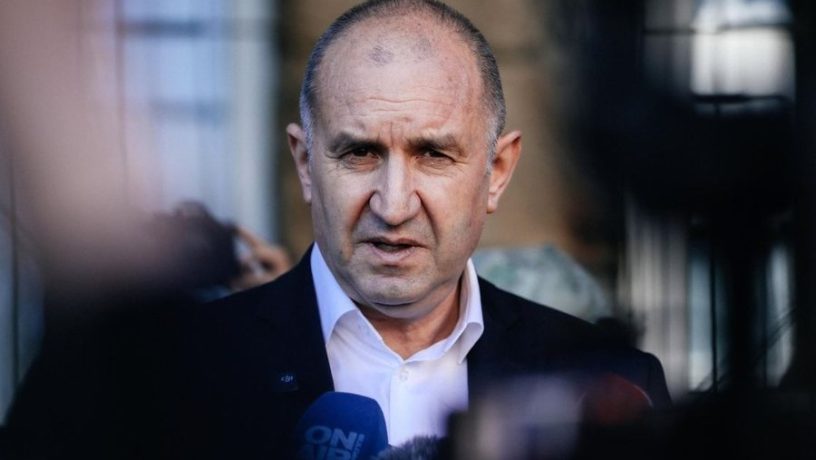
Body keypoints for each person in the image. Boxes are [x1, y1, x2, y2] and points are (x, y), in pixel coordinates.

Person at [175, 0, 671, 457]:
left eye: (433, 155)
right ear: (306, 164)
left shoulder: (611, 385)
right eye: (359, 153)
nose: (393, 207)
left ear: (497, 172)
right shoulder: (175, 369)